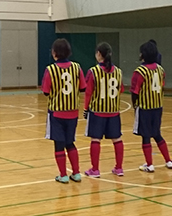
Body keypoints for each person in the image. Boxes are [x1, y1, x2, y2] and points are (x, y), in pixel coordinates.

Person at [42, 38, 86, 184]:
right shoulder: (77, 67)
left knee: (59, 144)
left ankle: (63, 175)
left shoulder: (50, 70)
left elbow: (46, 91)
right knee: (70, 142)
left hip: (56, 112)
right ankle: (76, 173)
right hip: (72, 112)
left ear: (54, 53)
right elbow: (83, 88)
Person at [83, 42, 125, 177]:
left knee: (95, 139)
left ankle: (95, 169)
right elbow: (121, 89)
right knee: (117, 139)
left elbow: (88, 92)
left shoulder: (93, 71)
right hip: (113, 111)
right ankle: (119, 168)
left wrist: (85, 109)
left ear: (99, 54)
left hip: (97, 111)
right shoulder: (118, 71)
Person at [131, 40, 172, 172]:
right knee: (157, 134)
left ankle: (149, 164)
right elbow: (162, 86)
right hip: (158, 107)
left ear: (143, 54)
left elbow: (135, 91)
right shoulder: (161, 70)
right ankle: (168, 161)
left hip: (145, 108)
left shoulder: (140, 71)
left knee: (146, 136)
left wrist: (135, 106)